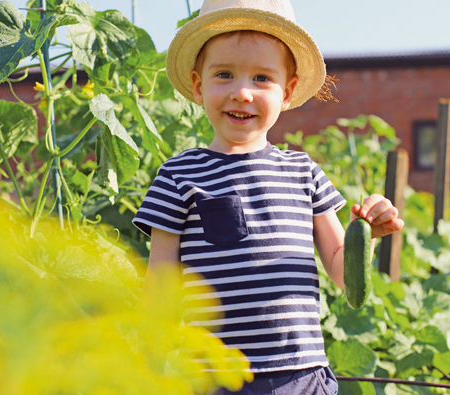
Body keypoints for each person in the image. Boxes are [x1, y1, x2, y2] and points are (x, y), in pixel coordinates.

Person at [132, 1, 404, 394]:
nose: (242, 93)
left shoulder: (303, 172)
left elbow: (340, 268)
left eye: (262, 78)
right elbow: (161, 278)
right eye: (224, 75)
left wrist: (367, 234)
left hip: (302, 374)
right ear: (198, 85)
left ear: (288, 92)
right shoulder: (179, 174)